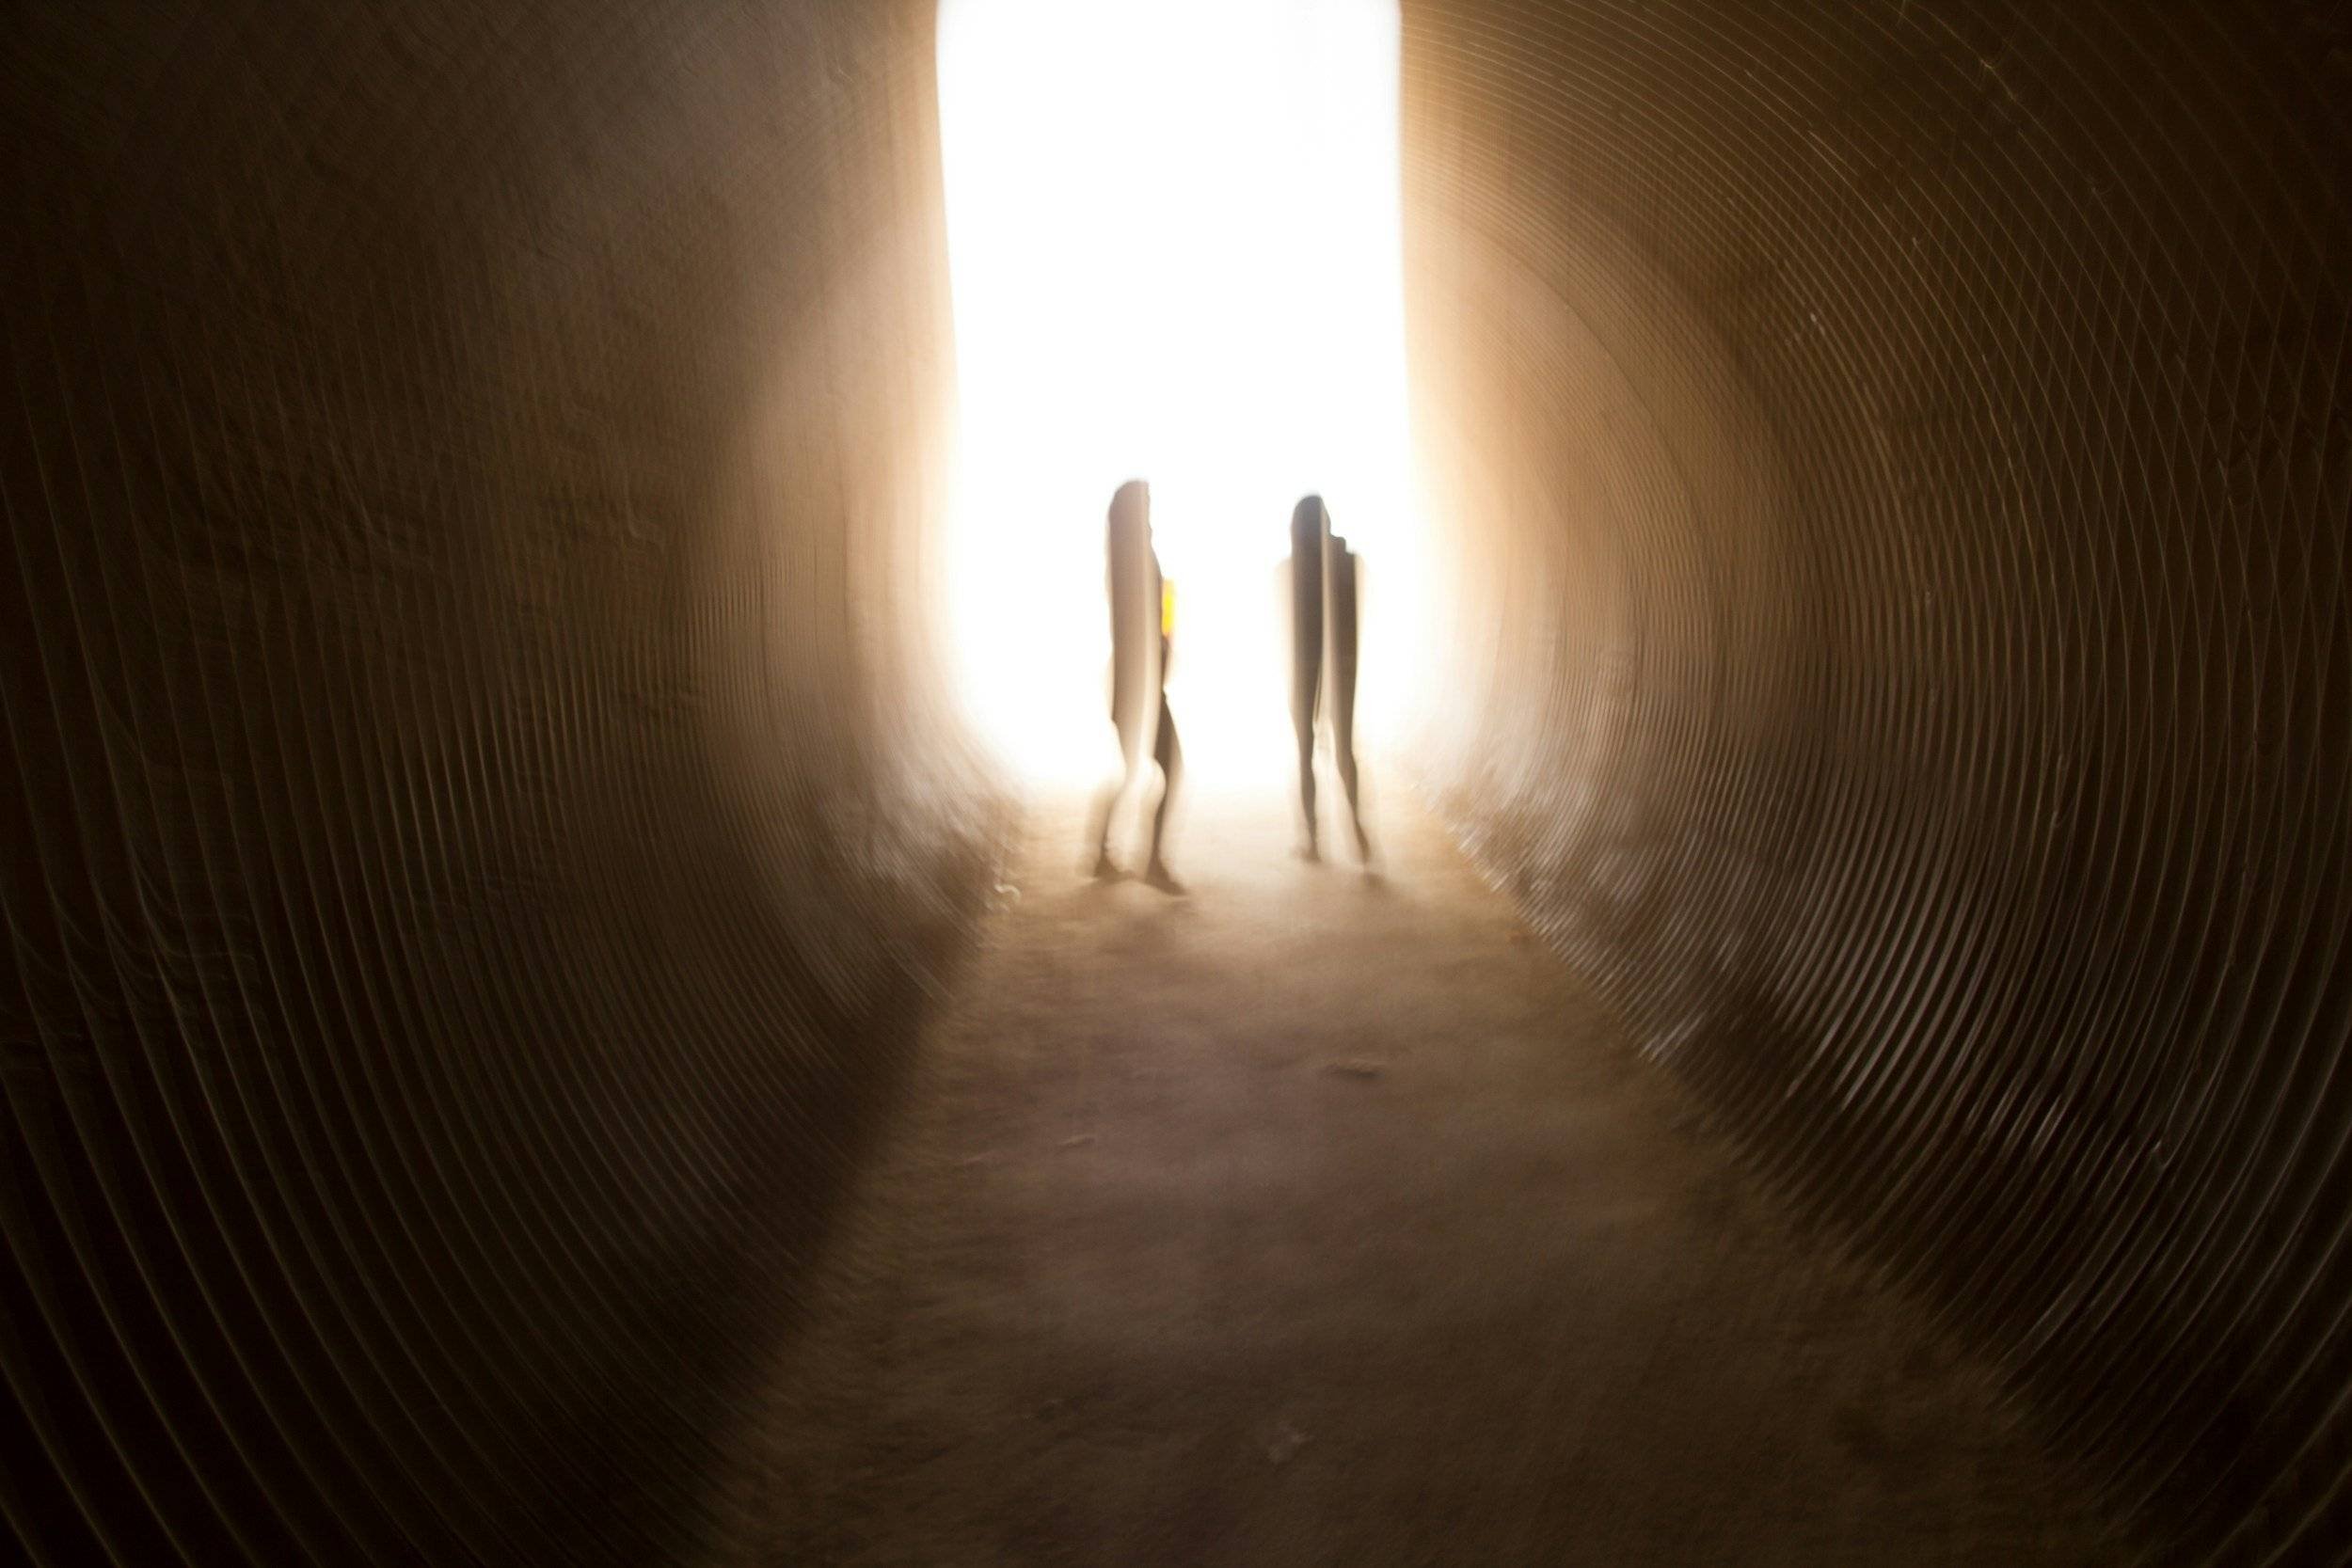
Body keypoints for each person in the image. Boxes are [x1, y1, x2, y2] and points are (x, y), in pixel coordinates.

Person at [1088, 480, 1184, 893]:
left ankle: (1104, 856)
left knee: (1138, 771)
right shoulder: (1135, 561)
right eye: (1145, 503)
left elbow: (1159, 621)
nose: (1151, 510)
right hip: (1136, 687)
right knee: (1166, 767)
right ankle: (1148, 862)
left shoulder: (1133, 559)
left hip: (1139, 685)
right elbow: (1146, 625)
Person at [1288, 494, 1371, 863]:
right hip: (1345, 666)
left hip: (1306, 667)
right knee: (1344, 750)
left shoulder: (1296, 567)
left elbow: (1290, 626)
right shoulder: (1348, 562)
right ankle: (1356, 826)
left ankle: (1313, 840)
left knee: (1306, 751)